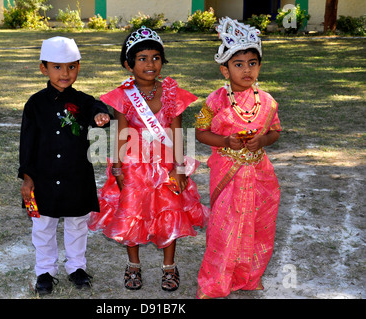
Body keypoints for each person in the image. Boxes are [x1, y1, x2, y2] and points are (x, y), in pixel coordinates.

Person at [88, 26, 210, 292]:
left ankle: (169, 266)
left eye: (156, 57)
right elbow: (122, 132)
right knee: (132, 212)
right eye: (142, 58)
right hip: (133, 165)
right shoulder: (124, 95)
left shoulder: (171, 92)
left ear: (162, 62)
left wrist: (179, 168)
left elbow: (177, 133)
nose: (150, 64)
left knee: (170, 211)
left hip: (166, 164)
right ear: (128, 65)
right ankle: (133, 264)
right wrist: (117, 167)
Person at [195, 17, 282, 298]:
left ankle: (248, 276)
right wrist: (224, 141)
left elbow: (276, 131)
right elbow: (200, 132)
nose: (247, 70)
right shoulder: (214, 100)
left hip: (259, 174)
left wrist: (263, 140)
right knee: (226, 226)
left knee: (258, 225)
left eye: (253, 63)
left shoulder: (267, 101)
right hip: (227, 172)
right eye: (239, 64)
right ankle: (215, 282)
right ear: (225, 69)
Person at [18, 36, 110, 295]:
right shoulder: (35, 104)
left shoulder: (83, 101)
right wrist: (27, 177)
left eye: (71, 66)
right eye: (57, 67)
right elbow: (27, 143)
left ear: (78, 67)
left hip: (76, 177)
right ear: (43, 68)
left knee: (77, 224)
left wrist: (101, 115)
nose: (65, 73)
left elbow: (98, 107)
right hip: (43, 178)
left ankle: (76, 267)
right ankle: (45, 271)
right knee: (43, 225)